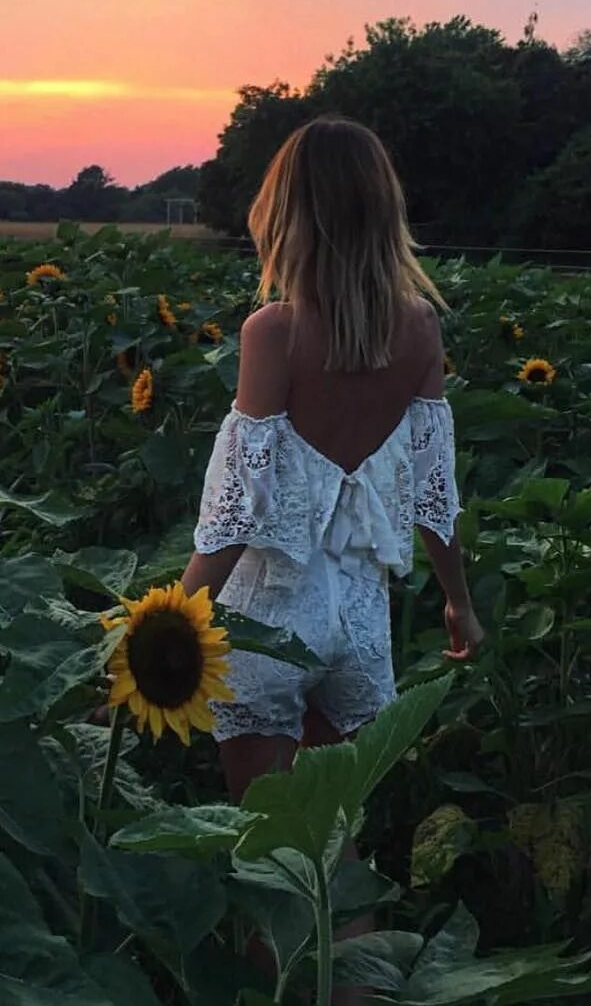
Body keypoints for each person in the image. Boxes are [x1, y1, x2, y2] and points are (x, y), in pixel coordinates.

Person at [179, 116, 484, 1003]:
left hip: (265, 618)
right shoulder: (420, 332)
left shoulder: (274, 332)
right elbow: (434, 491)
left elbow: (240, 505)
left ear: (292, 214)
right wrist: (460, 603)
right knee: (335, 864)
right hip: (359, 620)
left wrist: (165, 624)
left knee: (273, 869)